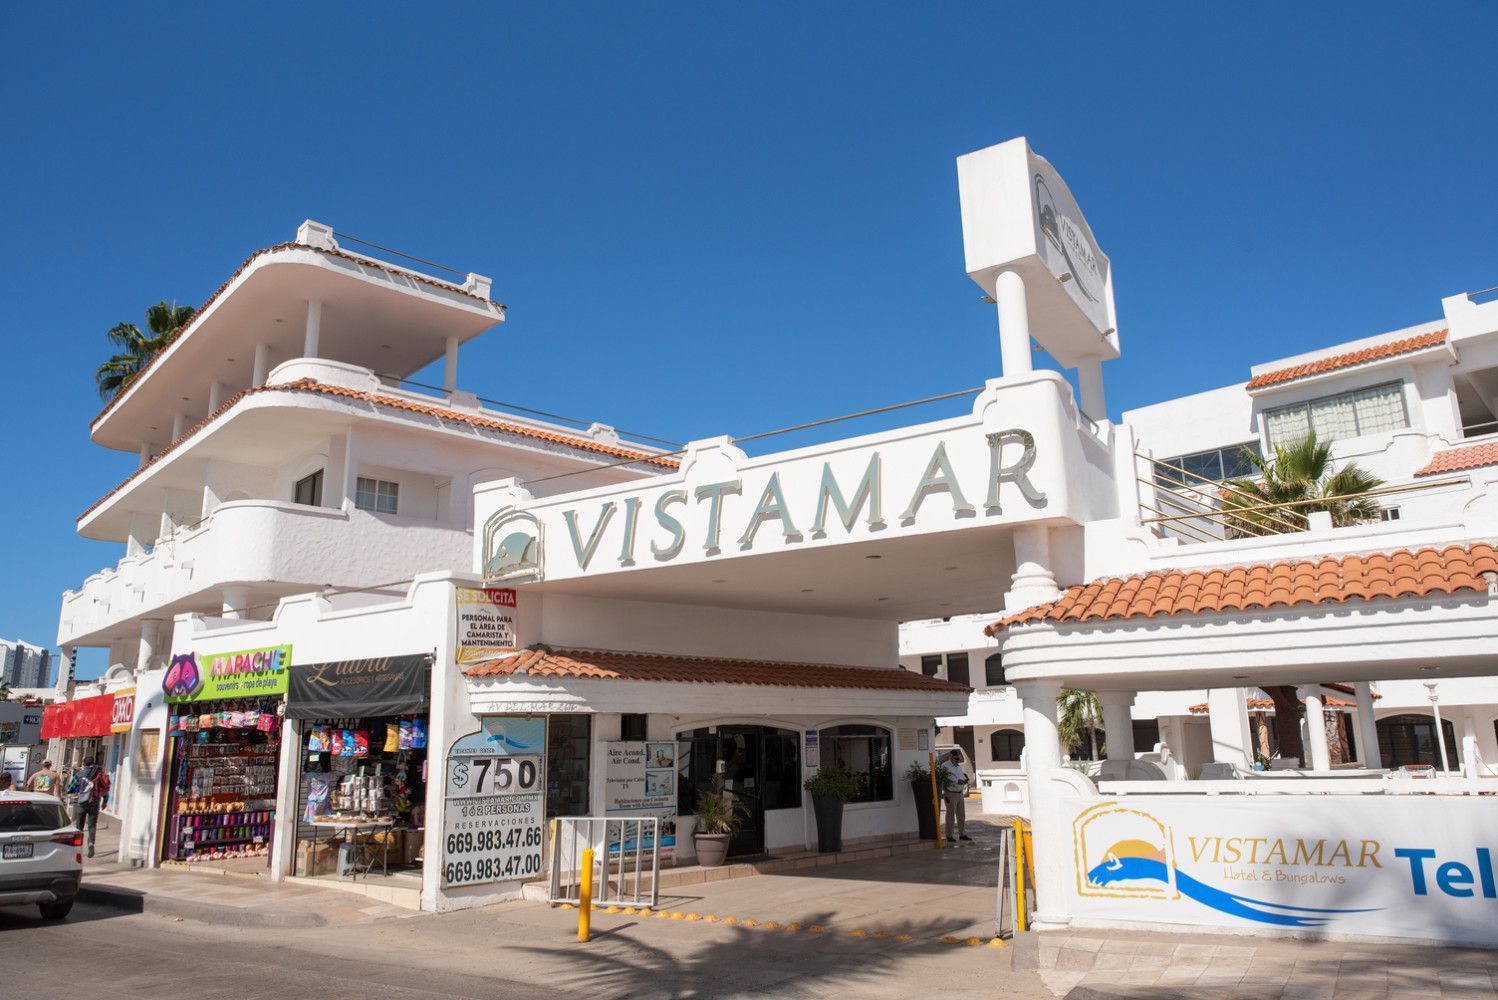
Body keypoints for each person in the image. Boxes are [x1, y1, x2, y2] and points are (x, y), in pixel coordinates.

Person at [69, 757, 110, 857]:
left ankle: (78, 848)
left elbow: (71, 788)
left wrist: (78, 790)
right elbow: (104, 788)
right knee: (92, 825)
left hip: (82, 802)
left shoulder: (80, 774)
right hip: (95, 803)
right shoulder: (99, 773)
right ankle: (91, 843)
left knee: (79, 826)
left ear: (84, 764)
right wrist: (105, 801)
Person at [939, 749, 973, 844]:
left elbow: (961, 777)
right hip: (950, 793)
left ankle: (962, 834)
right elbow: (953, 779)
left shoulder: (958, 766)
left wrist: (965, 779)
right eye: (956, 758)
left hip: (960, 793)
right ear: (950, 757)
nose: (958, 760)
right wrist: (961, 781)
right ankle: (949, 835)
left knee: (961, 815)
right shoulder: (945, 766)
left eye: (958, 758)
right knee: (950, 816)